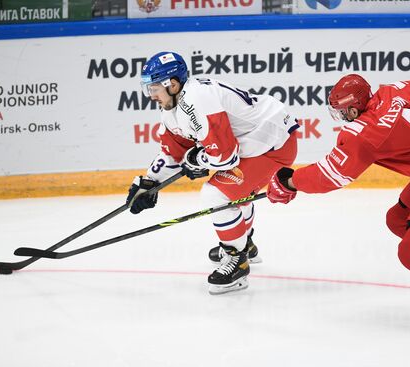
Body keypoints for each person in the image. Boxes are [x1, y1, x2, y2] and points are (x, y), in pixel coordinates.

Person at [266, 70, 410, 337]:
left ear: (354, 110)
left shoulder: (364, 134)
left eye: (343, 112)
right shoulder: (396, 90)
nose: (342, 118)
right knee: (398, 220)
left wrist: (290, 181)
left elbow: (331, 174)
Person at [126, 51, 298, 294]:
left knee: (216, 194)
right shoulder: (173, 107)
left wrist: (198, 159)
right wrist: (149, 181)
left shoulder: (197, 100)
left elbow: (225, 156)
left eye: (154, 88)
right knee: (231, 191)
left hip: (272, 143)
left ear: (172, 84)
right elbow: (173, 153)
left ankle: (236, 260)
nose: (150, 95)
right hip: (256, 143)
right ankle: (244, 244)